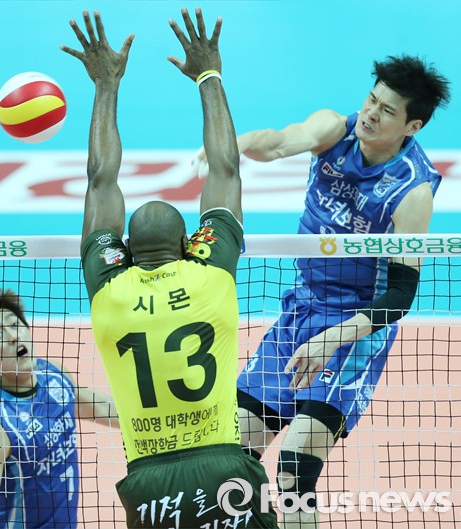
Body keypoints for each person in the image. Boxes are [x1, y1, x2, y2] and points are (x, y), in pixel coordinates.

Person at [192, 55, 451, 528]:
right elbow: (276, 143)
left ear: (411, 126)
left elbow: (399, 296)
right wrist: (229, 147)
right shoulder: (334, 130)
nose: (370, 114)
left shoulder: (412, 192)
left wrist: (332, 339)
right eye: (371, 100)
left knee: (294, 472)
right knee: (232, 459)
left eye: (387, 111)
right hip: (301, 311)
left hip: (354, 331)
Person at [63, 8, 277, 529]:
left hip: (150, 483)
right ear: (189, 244)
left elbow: (99, 181)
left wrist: (105, 86)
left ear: (125, 249)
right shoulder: (210, 272)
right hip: (224, 467)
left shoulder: (110, 286)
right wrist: (209, 75)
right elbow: (226, 167)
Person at [0, 286, 120, 528]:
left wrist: (161, 420)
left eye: (15, 324)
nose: (13, 336)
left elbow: (101, 408)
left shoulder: (54, 376)